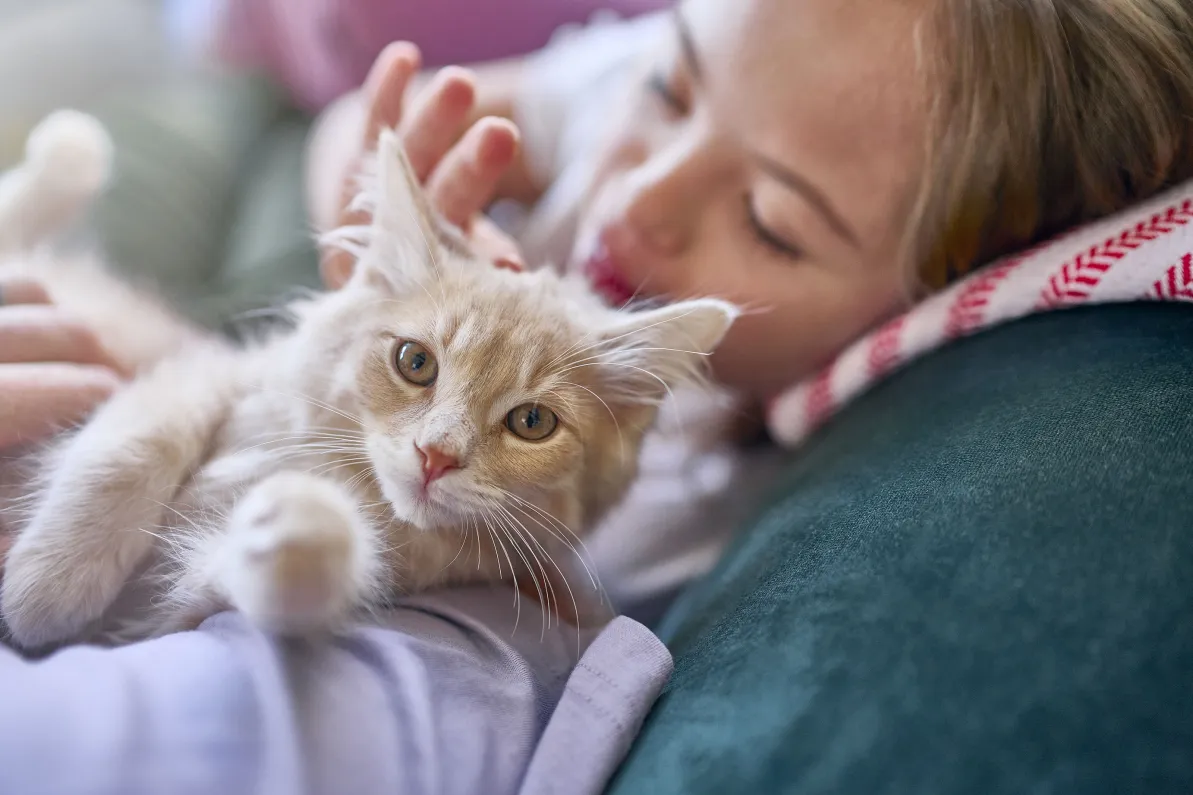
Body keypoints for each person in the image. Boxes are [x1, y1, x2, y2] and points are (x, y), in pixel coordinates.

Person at [1, 1, 1190, 792]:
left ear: (928, 307)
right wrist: (375, 204)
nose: (635, 203)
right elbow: (397, 138)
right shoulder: (723, 70)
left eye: (769, 222)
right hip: (326, 316)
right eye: (669, 92)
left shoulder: (733, 479)